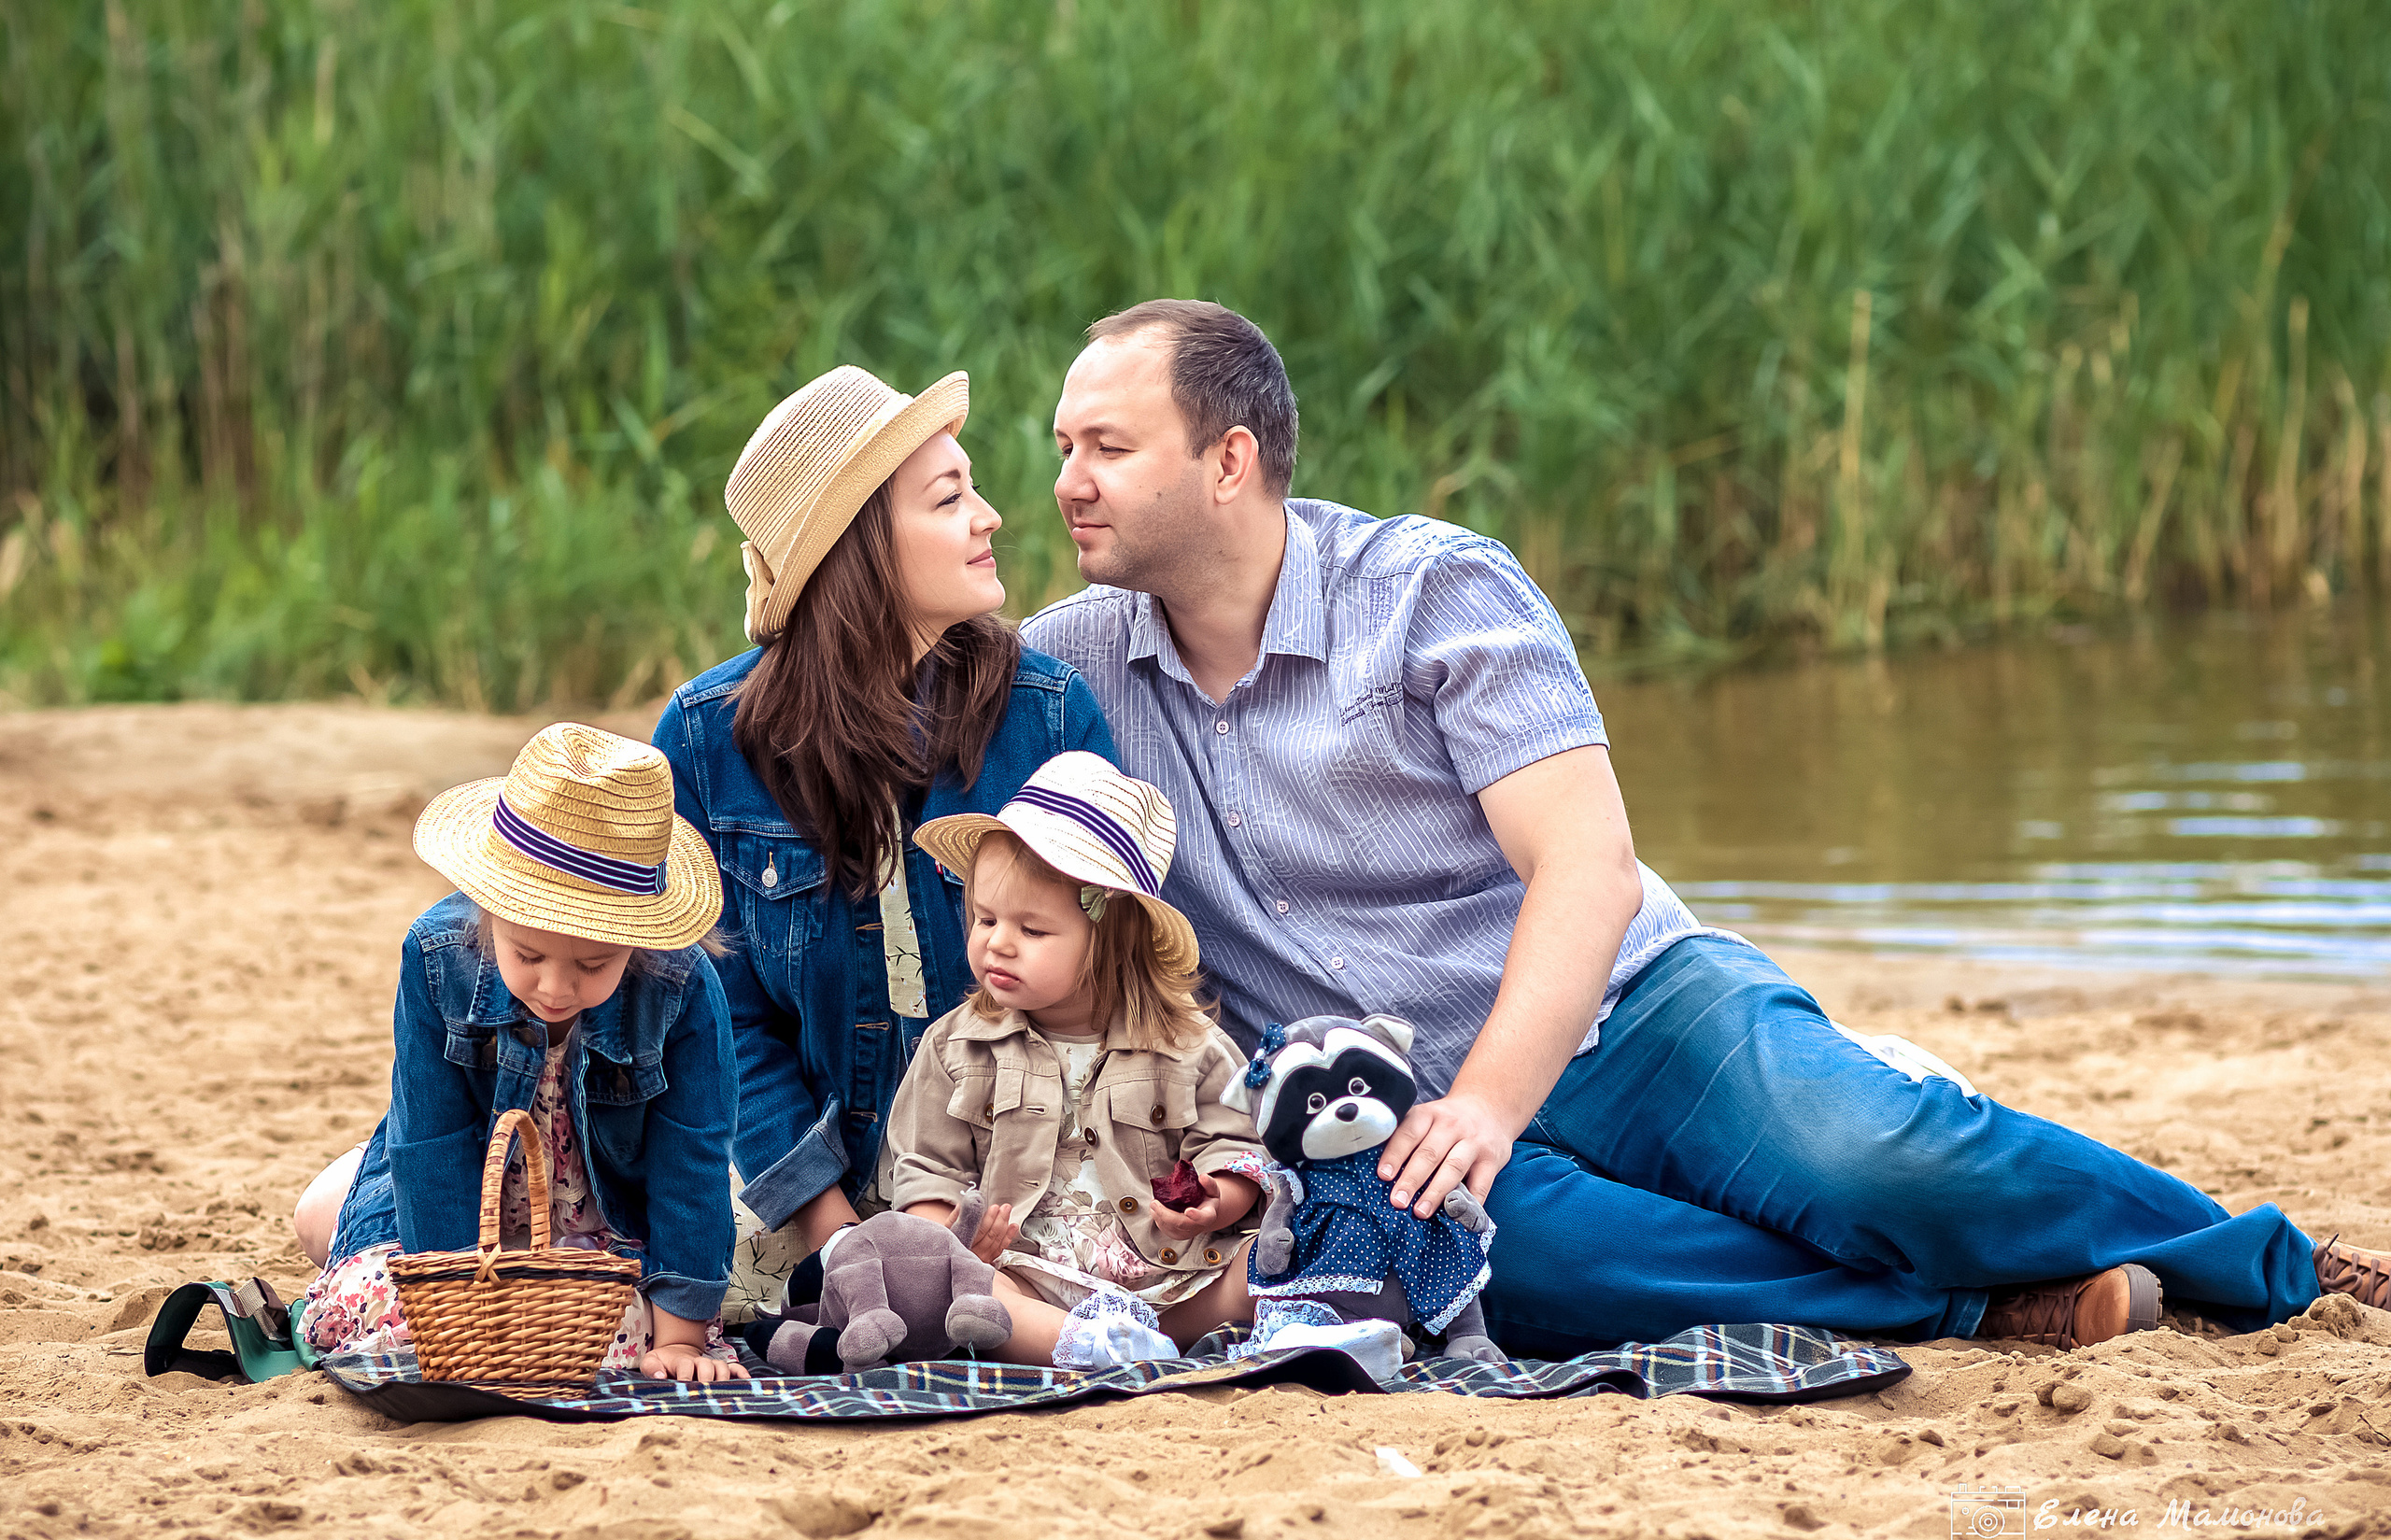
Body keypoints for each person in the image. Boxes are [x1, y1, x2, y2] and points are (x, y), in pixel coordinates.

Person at [1021, 298, 2386, 1357]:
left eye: (1106, 447)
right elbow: (864, 708)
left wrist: (1494, 1102)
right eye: (1061, 450)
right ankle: (1984, 1313)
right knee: (1525, 1276)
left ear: (1229, 460)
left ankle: (2268, 1263)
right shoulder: (1070, 670)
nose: (1068, 480)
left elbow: (1589, 869)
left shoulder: (1433, 589)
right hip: (1393, 1116)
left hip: (1632, 1015)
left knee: (1877, 1158)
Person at [652, 367, 1116, 1304]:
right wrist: (838, 1233)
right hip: (793, 1187)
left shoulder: (1051, 718)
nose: (989, 516)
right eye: (949, 499)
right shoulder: (706, 739)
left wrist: (987, 1203)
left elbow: (1109, 985)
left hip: (1012, 1187)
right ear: (858, 549)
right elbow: (716, 1016)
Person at [290, 723, 746, 1381]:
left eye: (593, 963)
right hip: (462, 1198)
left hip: (599, 1213)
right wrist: (457, 1308)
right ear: (490, 910)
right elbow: (430, 1140)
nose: (556, 988)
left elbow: (693, 1155)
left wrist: (680, 1339)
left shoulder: (682, 986)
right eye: (527, 955)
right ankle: (369, 1199)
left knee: (608, 1334)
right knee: (353, 1276)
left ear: (638, 940)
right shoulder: (435, 954)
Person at [880, 750, 1270, 1367]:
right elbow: (925, 1163)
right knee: (940, 1278)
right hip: (1021, 1273)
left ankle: (1156, 1338)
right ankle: (1082, 1342)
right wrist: (952, 1235)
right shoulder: (958, 1046)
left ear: (1114, 941)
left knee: (1276, 1250)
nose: (997, 943)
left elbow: (1234, 1140)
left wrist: (1216, 1198)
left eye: (1032, 930)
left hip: (1168, 1276)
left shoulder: (1186, 1044)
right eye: (985, 918)